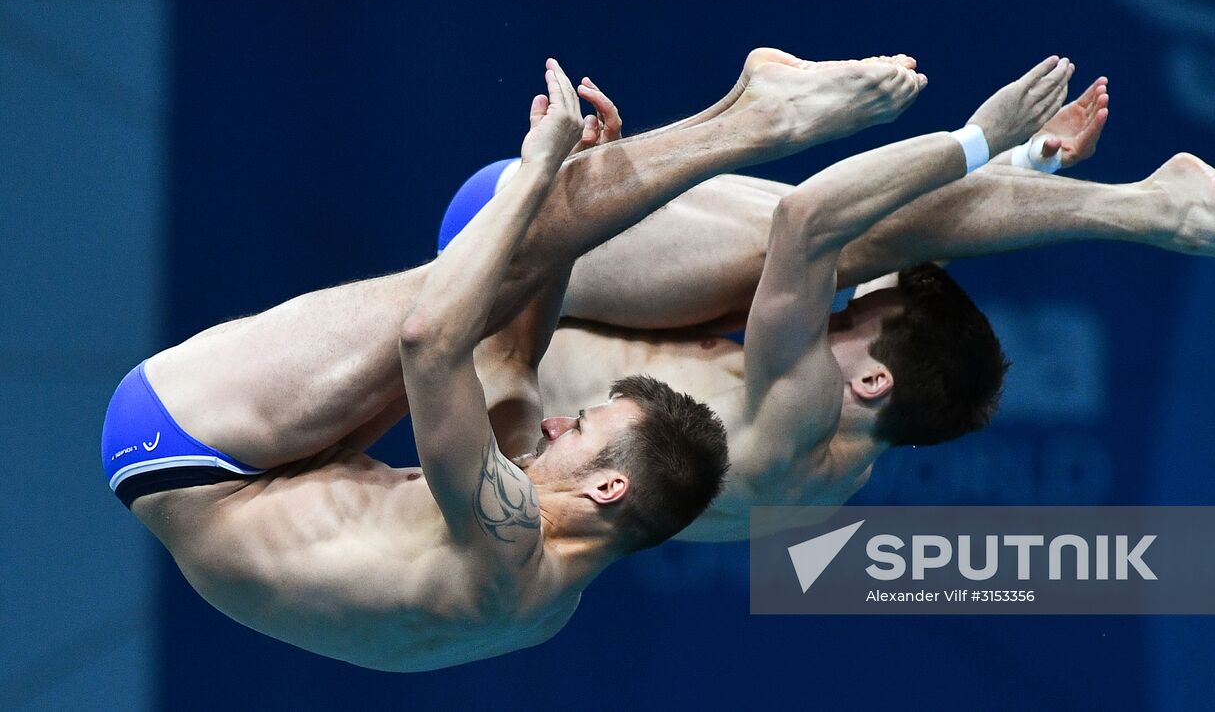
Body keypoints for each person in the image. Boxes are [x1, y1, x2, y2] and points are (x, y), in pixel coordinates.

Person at [100, 55, 926, 669]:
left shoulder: (508, 538)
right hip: (253, 479)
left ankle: (757, 121)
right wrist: (578, 197)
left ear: (610, 485)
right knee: (526, 270)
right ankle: (731, 118)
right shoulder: (541, 596)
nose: (568, 416)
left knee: (485, 262)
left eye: (587, 425)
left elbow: (430, 342)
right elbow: (508, 359)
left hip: (187, 437)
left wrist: (536, 177)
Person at [447, 51, 1215, 542]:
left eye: (851, 316)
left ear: (869, 382)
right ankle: (1145, 206)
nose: (839, 305)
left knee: (844, 236)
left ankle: (1151, 211)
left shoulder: (793, 427)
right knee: (866, 242)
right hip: (543, 277)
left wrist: (981, 142)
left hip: (493, 258)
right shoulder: (844, 455)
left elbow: (810, 220)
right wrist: (1026, 168)